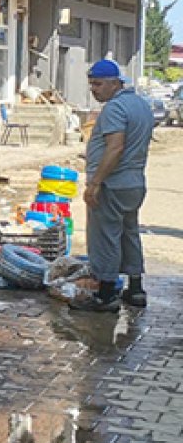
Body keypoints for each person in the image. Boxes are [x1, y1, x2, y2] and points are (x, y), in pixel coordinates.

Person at [72, 60, 154, 312]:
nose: (94, 90)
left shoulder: (115, 108)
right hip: (134, 183)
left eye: (98, 84)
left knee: (105, 236)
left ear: (115, 83)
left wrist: (95, 182)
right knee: (130, 233)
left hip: (112, 184)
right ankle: (136, 288)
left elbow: (115, 147)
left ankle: (106, 294)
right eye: (91, 84)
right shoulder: (141, 104)